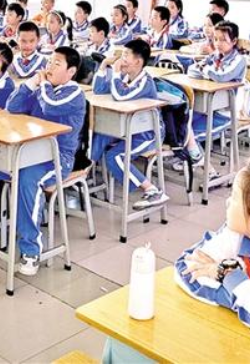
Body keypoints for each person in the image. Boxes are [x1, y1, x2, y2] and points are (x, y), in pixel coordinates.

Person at [5, 47, 85, 275]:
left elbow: (51, 105)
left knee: (27, 179)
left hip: (58, 158)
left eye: (56, 64)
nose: (49, 67)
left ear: (71, 72)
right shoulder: (43, 88)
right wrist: (31, 83)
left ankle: (31, 249)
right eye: (49, 62)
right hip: (30, 152)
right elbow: (12, 107)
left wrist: (42, 85)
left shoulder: (74, 93)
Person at [90, 39, 169, 210]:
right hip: (127, 128)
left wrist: (115, 73)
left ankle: (152, 190)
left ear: (138, 62)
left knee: (115, 156)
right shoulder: (126, 77)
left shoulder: (145, 82)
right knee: (101, 133)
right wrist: (103, 67)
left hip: (148, 134)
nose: (122, 59)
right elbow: (99, 90)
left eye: (126, 55)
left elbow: (120, 96)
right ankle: (85, 170)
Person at [175, 164, 250, 327]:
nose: (227, 202)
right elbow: (186, 267)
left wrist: (226, 275)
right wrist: (240, 297)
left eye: (234, 197)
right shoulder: (236, 234)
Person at [176, 21, 247, 179]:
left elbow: (222, 76)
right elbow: (192, 70)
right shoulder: (215, 56)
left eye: (223, 40)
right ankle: (194, 159)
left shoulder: (239, 60)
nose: (218, 43)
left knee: (188, 134)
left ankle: (209, 170)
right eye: (215, 39)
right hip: (207, 107)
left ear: (234, 41)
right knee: (180, 124)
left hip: (224, 113)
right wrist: (208, 71)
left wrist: (206, 70)